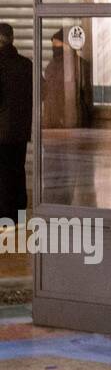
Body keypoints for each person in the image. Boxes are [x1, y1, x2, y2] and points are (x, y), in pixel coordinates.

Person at [0, 23, 33, 221]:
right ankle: (19, 213)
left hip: (1, 131)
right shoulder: (26, 64)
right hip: (20, 131)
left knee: (3, 174)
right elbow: (41, 91)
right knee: (17, 171)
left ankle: (5, 215)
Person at [42, 29, 93, 130]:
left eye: (57, 44)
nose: (54, 47)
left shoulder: (80, 65)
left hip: (71, 121)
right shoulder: (51, 66)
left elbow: (86, 95)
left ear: (67, 45)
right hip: (53, 120)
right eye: (53, 44)